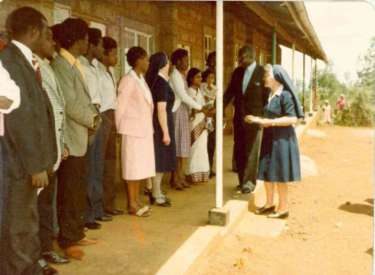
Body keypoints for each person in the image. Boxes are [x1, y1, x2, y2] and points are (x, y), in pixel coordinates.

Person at [0, 7, 58, 275]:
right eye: (46, 32)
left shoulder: (23, 61)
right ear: (33, 31)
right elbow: (19, 119)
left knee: (27, 221)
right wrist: (36, 165)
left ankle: (30, 267)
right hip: (17, 163)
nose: (49, 38)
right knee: (18, 225)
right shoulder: (10, 63)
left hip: (25, 162)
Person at [51, 18, 100, 260]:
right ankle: (67, 240)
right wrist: (92, 119)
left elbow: (81, 99)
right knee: (69, 192)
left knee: (77, 189)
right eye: (85, 38)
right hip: (70, 138)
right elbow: (69, 103)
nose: (87, 42)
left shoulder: (74, 64)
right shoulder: (61, 65)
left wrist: (93, 115)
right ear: (77, 40)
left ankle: (76, 232)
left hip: (80, 136)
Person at [245, 64, 303, 219]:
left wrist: (270, 123)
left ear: (276, 77)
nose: (264, 77)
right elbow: (268, 117)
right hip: (270, 138)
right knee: (267, 172)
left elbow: (292, 118)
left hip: (282, 140)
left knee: (280, 175)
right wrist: (257, 119)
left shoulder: (285, 95)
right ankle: (270, 203)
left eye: (267, 75)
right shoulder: (270, 94)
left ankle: (283, 208)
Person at [34, 27, 70, 265]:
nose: (53, 43)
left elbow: (58, 106)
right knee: (35, 206)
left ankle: (45, 249)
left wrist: (62, 141)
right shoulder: (28, 67)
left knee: (46, 203)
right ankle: (35, 254)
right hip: (38, 149)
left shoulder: (46, 66)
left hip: (53, 147)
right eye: (48, 38)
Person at [223, 45, 269, 194]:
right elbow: (229, 92)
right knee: (240, 150)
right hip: (239, 119)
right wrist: (219, 107)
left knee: (252, 151)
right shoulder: (237, 72)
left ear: (250, 56)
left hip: (255, 120)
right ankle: (242, 180)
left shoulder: (262, 73)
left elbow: (266, 97)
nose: (239, 60)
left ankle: (249, 183)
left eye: (241, 57)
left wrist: (263, 118)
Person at [80, 27, 113, 230]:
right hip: (91, 118)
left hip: (100, 117)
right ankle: (89, 213)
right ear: (91, 45)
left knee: (97, 166)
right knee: (90, 167)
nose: (101, 48)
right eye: (99, 44)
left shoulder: (93, 66)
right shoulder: (83, 66)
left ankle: (96, 209)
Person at [116, 46, 154, 217]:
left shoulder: (140, 79)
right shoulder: (128, 80)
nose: (148, 62)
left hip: (143, 130)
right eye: (146, 59)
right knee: (132, 167)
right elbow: (120, 107)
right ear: (138, 60)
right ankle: (131, 203)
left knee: (139, 168)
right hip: (132, 131)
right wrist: (118, 130)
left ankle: (136, 200)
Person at [169, 49, 207, 190]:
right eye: (185, 60)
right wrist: (200, 108)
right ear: (178, 61)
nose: (187, 62)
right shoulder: (174, 75)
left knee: (183, 147)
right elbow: (183, 96)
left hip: (183, 112)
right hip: (177, 113)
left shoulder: (181, 75)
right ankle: (175, 178)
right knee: (178, 147)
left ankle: (180, 177)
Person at [146, 52, 176, 207]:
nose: (170, 64)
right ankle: (156, 193)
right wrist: (165, 132)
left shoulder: (157, 81)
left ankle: (154, 190)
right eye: (168, 61)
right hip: (161, 124)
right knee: (161, 160)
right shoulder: (162, 83)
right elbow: (161, 109)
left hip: (157, 123)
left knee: (158, 159)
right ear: (164, 64)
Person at [100, 36, 124, 216]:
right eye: (114, 54)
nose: (116, 58)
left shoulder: (111, 72)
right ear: (104, 54)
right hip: (102, 117)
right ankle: (100, 206)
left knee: (110, 163)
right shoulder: (96, 72)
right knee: (100, 164)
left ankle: (109, 204)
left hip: (112, 116)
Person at [186, 68, 211, 183]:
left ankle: (202, 174)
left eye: (201, 77)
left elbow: (202, 106)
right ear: (191, 79)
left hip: (202, 123)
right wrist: (203, 110)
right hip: (194, 124)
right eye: (197, 77)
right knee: (194, 150)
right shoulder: (189, 92)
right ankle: (192, 175)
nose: (200, 79)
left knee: (202, 150)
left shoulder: (199, 91)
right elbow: (191, 110)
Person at [201, 68, 217, 178]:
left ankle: (210, 168)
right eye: (208, 77)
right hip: (203, 117)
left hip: (212, 118)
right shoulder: (201, 87)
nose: (210, 80)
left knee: (211, 145)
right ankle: (203, 169)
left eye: (212, 77)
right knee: (203, 145)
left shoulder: (216, 89)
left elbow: (217, 103)